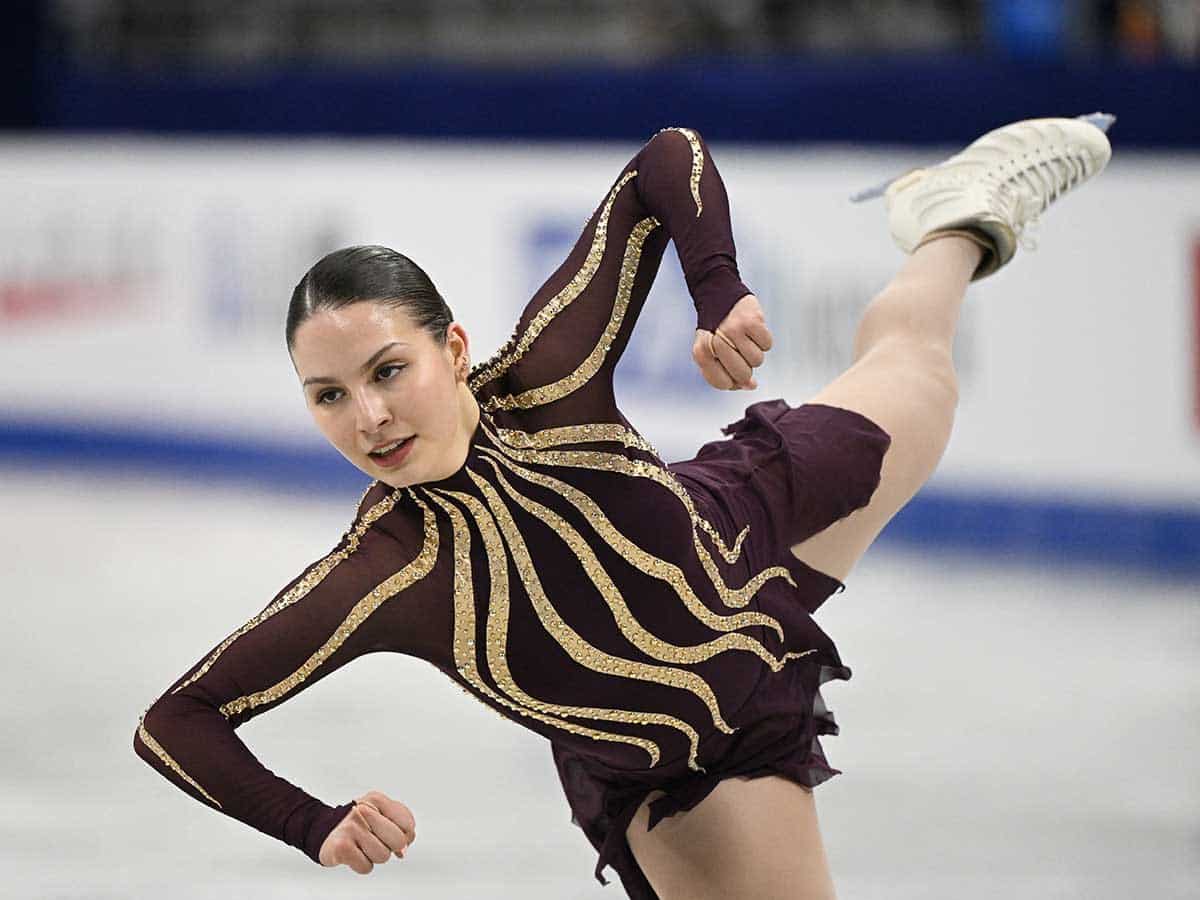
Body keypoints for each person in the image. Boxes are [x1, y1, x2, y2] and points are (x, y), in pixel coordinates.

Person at [134, 116, 1112, 899]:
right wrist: (312, 824)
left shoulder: (550, 381)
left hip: (750, 520)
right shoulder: (386, 571)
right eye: (330, 395)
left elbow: (666, 160)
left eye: (389, 370)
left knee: (918, 374)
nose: (372, 416)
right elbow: (177, 719)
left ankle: (954, 218)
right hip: (692, 757)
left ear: (455, 348)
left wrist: (718, 292)